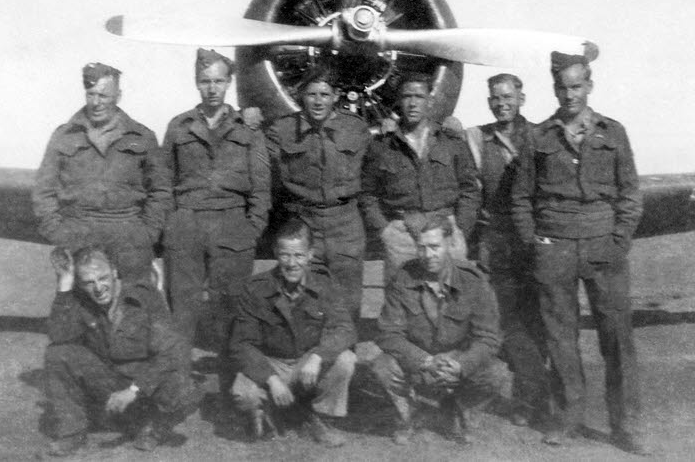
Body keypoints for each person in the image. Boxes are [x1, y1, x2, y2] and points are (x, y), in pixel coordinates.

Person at [511, 52, 644, 453]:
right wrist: (536, 242)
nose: (569, 95)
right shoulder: (538, 137)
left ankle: (627, 426)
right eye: (561, 87)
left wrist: (619, 239)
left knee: (617, 336)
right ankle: (568, 418)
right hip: (555, 245)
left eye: (576, 86)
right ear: (553, 88)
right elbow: (521, 197)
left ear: (589, 86)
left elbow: (630, 194)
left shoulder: (613, 132)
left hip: (603, 244)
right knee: (560, 338)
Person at [159, 48, 270, 355]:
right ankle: (179, 387)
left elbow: (261, 186)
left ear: (229, 82)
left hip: (232, 224)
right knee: (182, 311)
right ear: (197, 82)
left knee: (231, 311)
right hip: (187, 224)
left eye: (219, 81)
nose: (212, 88)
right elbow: (163, 182)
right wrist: (171, 225)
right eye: (206, 81)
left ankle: (229, 390)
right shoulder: (178, 126)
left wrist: (252, 231)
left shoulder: (247, 128)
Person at [42, 247, 198, 457]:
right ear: (79, 284)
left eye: (103, 278)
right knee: (58, 354)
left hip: (144, 383)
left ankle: (154, 427)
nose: (98, 288)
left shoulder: (143, 297)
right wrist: (64, 287)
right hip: (110, 380)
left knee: (183, 387)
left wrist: (134, 390)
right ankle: (73, 432)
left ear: (114, 271)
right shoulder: (80, 300)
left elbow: (171, 353)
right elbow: (58, 336)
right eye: (88, 282)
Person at [373, 213, 507, 445]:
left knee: (497, 372)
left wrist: (461, 364)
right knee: (382, 366)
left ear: (449, 243)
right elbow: (388, 334)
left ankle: (461, 412)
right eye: (421, 248)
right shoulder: (403, 278)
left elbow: (488, 337)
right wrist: (424, 360)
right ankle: (410, 416)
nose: (428, 255)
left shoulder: (472, 281)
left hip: (457, 361)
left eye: (435, 247)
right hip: (419, 361)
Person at [461, 73, 549, 426]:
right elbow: (449, 133)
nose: (502, 103)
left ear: (522, 98)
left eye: (508, 96)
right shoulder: (477, 137)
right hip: (495, 242)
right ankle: (529, 400)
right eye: (495, 98)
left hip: (535, 240)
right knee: (507, 321)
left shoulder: (541, 136)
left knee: (540, 320)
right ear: (488, 102)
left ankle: (536, 397)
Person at [33, 63, 167, 281]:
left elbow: (160, 191)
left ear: (118, 96)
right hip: (78, 233)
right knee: (82, 308)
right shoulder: (64, 136)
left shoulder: (142, 137)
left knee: (135, 305)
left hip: (129, 234)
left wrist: (148, 233)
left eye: (104, 96)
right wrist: (59, 233)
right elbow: (43, 191)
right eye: (91, 94)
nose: (96, 103)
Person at [229, 217, 357, 446]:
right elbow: (241, 344)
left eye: (298, 255)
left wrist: (318, 356)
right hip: (272, 363)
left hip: (307, 363)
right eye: (285, 255)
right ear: (276, 253)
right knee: (244, 394)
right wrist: (271, 379)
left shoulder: (325, 285)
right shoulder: (256, 289)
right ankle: (272, 413)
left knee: (345, 360)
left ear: (310, 255)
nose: (291, 263)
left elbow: (345, 329)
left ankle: (319, 419)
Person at [264, 65, 371, 317]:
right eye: (312, 94)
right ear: (301, 96)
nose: (318, 101)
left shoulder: (356, 128)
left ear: (336, 96)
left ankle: (346, 352)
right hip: (303, 222)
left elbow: (376, 169)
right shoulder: (282, 130)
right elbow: (260, 166)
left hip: (346, 225)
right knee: (305, 298)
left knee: (348, 299)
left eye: (324, 94)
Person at [361, 73, 481, 284]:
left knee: (450, 298)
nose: (413, 103)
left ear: (430, 101)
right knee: (404, 297)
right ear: (398, 101)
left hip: (446, 232)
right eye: (407, 96)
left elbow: (469, 189)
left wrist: (461, 227)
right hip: (402, 236)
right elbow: (367, 193)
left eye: (419, 96)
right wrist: (385, 230)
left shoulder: (450, 142)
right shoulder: (382, 146)